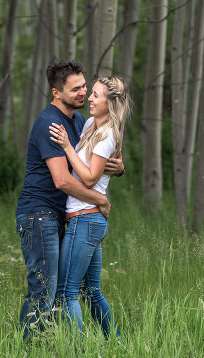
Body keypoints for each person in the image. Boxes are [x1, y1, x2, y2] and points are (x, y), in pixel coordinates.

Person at [15, 60, 124, 340]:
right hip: (40, 214)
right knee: (46, 289)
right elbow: (63, 180)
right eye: (76, 89)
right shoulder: (50, 124)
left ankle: (109, 344)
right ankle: (29, 351)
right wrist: (101, 200)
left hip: (67, 214)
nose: (84, 93)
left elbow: (93, 162)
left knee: (80, 291)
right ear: (56, 92)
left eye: (85, 87)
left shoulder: (80, 122)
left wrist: (119, 168)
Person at [49, 76, 131, 339]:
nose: (90, 98)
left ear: (111, 103)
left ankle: (78, 352)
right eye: (91, 93)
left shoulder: (107, 134)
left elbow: (90, 178)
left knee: (67, 292)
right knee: (91, 291)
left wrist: (65, 147)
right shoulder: (89, 125)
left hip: (85, 220)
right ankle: (116, 342)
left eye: (96, 95)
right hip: (89, 220)